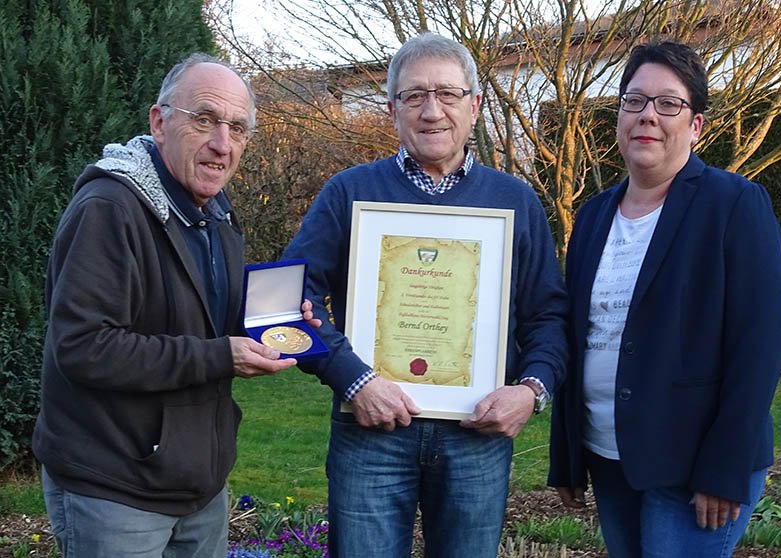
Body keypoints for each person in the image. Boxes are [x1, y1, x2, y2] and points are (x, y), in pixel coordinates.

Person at [282, 32, 569, 558]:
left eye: (448, 94)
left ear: (475, 106)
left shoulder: (515, 202)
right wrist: (353, 379)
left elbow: (547, 315)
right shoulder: (349, 193)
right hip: (371, 431)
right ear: (392, 109)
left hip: (476, 436)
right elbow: (286, 296)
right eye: (414, 95)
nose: (432, 111)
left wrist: (530, 390)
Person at [32, 52, 320, 558]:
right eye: (204, 119)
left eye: (237, 128)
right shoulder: (109, 209)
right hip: (115, 487)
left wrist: (268, 325)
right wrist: (219, 355)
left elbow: (199, 317)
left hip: (199, 486)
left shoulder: (217, 214)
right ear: (159, 121)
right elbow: (82, 347)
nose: (221, 144)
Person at [548, 41, 781, 557]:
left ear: (695, 124)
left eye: (668, 103)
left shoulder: (734, 204)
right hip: (610, 457)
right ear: (618, 116)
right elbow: (578, 335)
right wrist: (566, 454)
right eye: (633, 101)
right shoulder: (592, 217)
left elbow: (759, 346)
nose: (647, 116)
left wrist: (725, 467)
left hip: (694, 465)